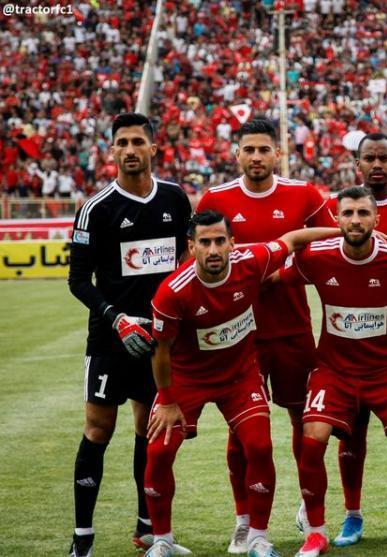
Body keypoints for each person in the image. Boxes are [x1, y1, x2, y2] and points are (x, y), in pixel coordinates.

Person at [143, 211, 339, 557]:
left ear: (232, 243)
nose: (213, 250)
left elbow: (292, 239)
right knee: (158, 452)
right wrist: (168, 400)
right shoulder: (172, 292)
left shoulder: (252, 260)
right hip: (188, 379)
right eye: (205, 242)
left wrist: (345, 231)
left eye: (220, 241)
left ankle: (258, 538)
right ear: (191, 247)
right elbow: (159, 351)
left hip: (240, 376)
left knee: (260, 446)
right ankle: (162, 541)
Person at [195, 118, 334, 553]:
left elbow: (327, 247)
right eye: (249, 150)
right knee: (242, 432)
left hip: (291, 329)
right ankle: (244, 522)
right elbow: (195, 258)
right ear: (237, 154)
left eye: (264, 149)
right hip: (238, 337)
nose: (256, 157)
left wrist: (284, 273)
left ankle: (311, 510)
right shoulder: (215, 199)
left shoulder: (304, 194)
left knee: (305, 423)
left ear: (278, 153)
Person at [283, 186, 387, 557]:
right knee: (312, 438)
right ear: (336, 219)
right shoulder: (316, 256)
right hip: (335, 369)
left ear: (377, 219)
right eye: (348, 213)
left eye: (363, 213)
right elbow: (272, 279)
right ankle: (316, 533)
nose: (355, 220)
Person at [67, 112, 192, 557]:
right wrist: (116, 317)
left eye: (138, 141)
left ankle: (147, 527)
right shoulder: (97, 208)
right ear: (112, 151)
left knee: (148, 428)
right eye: (122, 143)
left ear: (153, 148)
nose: (130, 149)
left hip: (158, 339)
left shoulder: (175, 198)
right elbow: (78, 280)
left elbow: (185, 261)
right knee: (98, 429)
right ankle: (82, 538)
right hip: (110, 336)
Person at [322, 132, 387, 546]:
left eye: (384, 157)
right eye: (370, 158)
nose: (377, 164)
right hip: (348, 342)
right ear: (358, 164)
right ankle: (352, 515)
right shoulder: (341, 207)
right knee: (351, 430)